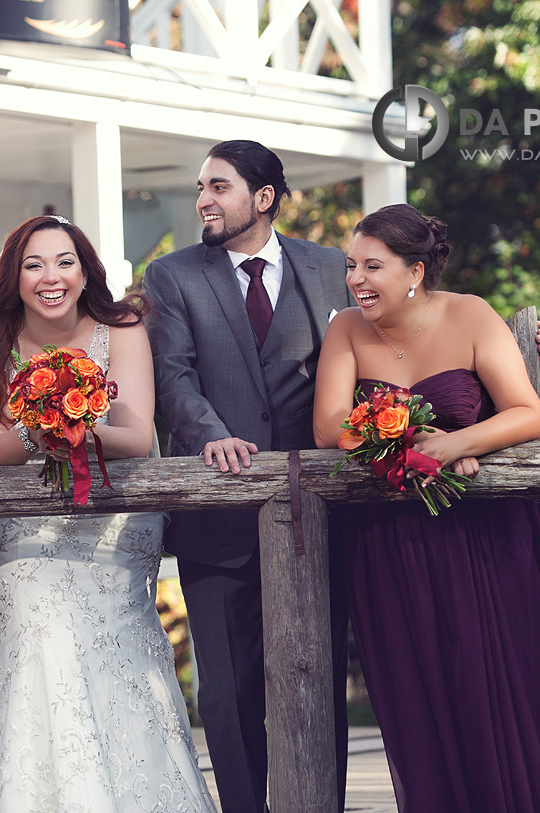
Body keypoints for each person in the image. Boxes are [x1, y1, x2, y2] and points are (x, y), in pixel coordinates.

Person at [312, 203, 540, 813]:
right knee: (418, 698)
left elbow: (527, 414)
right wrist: (402, 443)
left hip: (483, 539)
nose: (356, 279)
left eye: (372, 266)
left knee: (491, 688)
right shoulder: (346, 330)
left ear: (415, 271)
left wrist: (460, 441)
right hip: (391, 545)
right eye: (352, 266)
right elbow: (328, 428)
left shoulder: (471, 314)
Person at [0, 214, 217, 812]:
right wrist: (41, 427)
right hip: (25, 539)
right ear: (13, 276)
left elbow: (136, 435)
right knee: (36, 645)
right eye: (34, 264)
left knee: (118, 662)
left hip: (111, 532)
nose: (51, 277)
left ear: (85, 269)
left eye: (64, 261)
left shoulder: (122, 327)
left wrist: (75, 423)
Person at [142, 140, 355, 813]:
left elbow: (382, 341)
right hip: (219, 515)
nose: (204, 198)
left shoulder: (328, 267)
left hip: (318, 513)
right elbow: (171, 375)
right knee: (229, 692)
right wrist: (212, 436)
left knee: (316, 681)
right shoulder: (172, 275)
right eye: (202, 186)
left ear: (263, 198)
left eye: (219, 186)